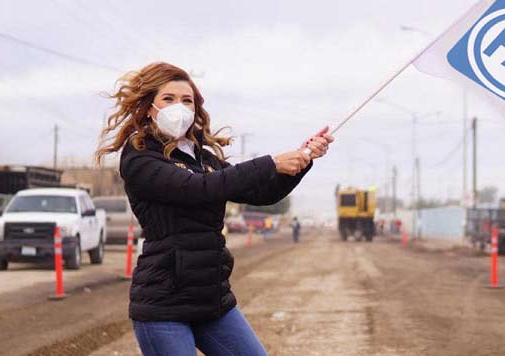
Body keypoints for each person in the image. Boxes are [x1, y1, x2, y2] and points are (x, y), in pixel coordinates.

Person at [95, 62, 334, 356]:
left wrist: (303, 160)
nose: (179, 107)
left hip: (213, 300)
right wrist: (270, 162)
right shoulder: (140, 158)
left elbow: (260, 192)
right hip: (163, 306)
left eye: (187, 100)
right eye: (168, 99)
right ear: (148, 107)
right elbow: (198, 189)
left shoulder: (203, 157)